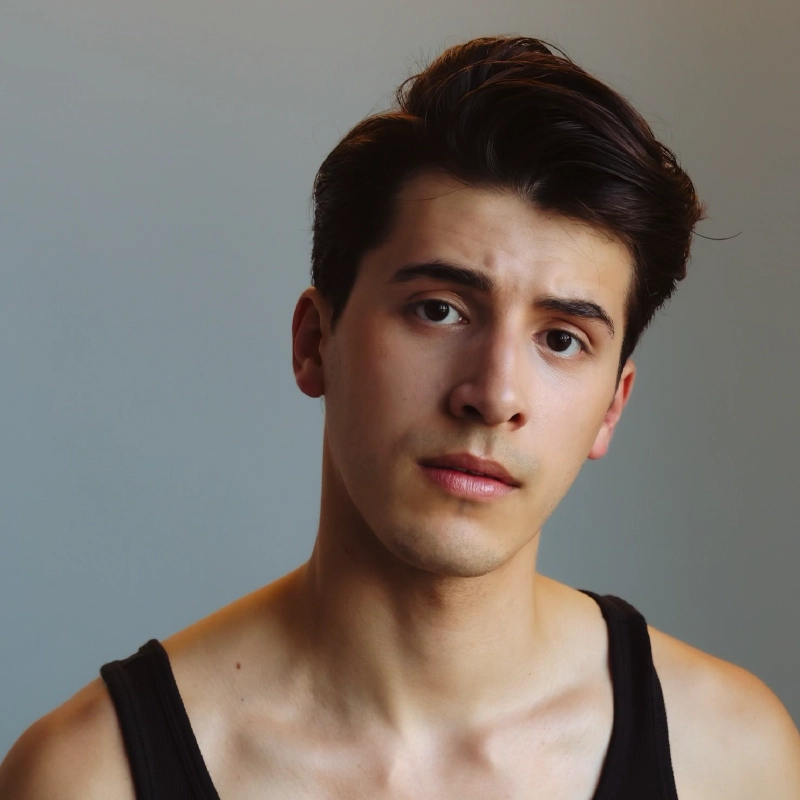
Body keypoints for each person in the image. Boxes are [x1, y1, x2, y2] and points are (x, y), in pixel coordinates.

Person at [2, 34, 799, 800]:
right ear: (317, 342)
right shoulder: (88, 778)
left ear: (610, 409)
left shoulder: (730, 757)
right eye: (440, 310)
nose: (492, 394)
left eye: (561, 339)